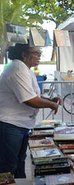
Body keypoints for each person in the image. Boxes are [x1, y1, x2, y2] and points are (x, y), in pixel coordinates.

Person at [0, 43, 60, 178]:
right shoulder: (17, 68)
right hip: (10, 124)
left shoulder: (25, 69)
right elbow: (30, 100)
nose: (39, 57)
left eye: (40, 54)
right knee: (8, 166)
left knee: (18, 163)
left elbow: (33, 95)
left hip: (19, 124)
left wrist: (50, 100)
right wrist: (52, 105)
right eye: (36, 53)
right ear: (24, 55)